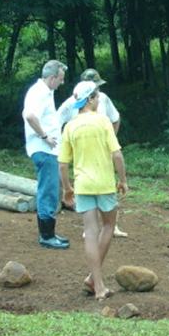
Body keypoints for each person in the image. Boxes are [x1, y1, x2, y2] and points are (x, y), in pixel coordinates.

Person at [59, 81, 128, 300]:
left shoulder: (70, 126)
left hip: (83, 185)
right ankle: (94, 280)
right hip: (105, 184)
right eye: (97, 97)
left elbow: (62, 164)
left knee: (90, 232)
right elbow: (117, 154)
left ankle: (96, 284)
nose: (99, 100)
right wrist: (123, 180)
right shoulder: (103, 121)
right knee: (108, 226)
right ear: (90, 99)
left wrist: (67, 188)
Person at [58, 67, 128, 238]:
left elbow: (116, 118)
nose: (98, 89)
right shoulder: (71, 102)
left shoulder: (103, 98)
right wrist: (65, 144)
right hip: (82, 150)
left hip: (102, 150)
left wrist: (111, 139)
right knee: (89, 185)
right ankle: (90, 228)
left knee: (106, 184)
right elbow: (57, 120)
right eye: (95, 86)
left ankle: (111, 225)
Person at [22, 59, 70, 249]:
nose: (62, 82)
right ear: (52, 78)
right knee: (48, 190)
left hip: (46, 150)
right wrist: (45, 136)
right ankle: (47, 236)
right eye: (60, 78)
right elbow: (30, 115)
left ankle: (49, 232)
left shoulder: (44, 91)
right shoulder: (40, 92)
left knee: (50, 189)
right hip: (43, 150)